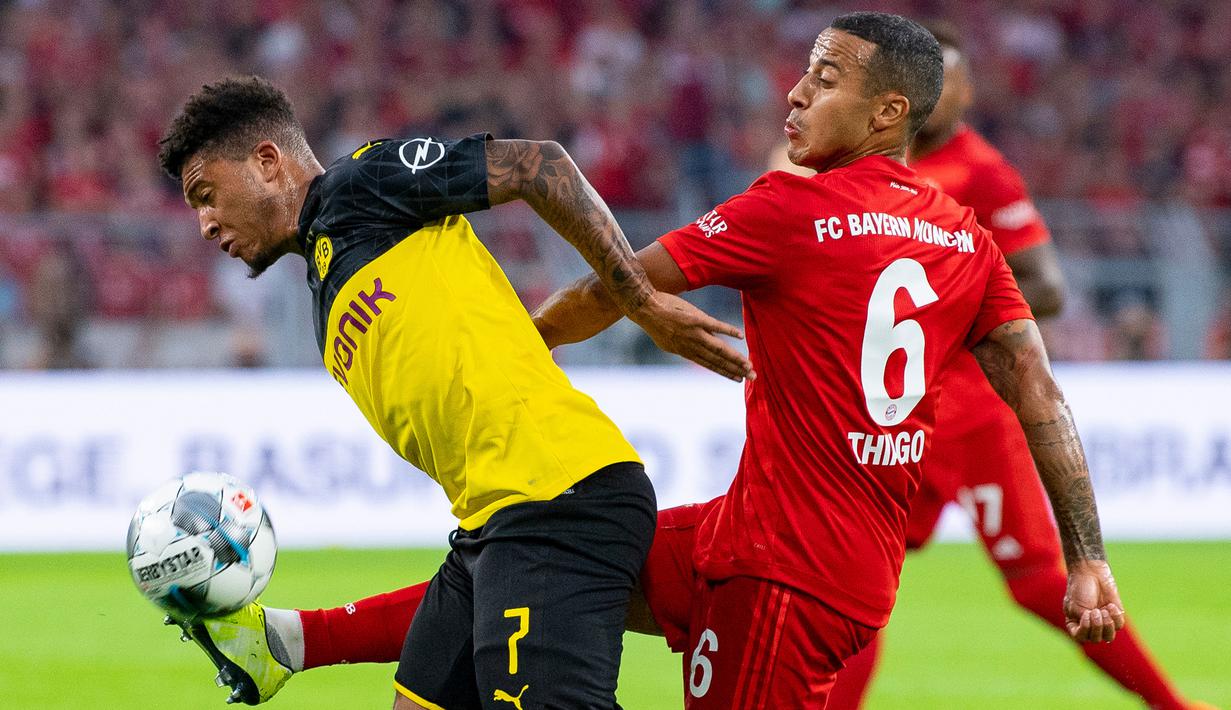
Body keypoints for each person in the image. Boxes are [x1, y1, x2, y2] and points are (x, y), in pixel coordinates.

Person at [175, 14, 1126, 708]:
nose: (795, 91)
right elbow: (1039, 397)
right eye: (803, 68)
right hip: (768, 540)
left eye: (825, 77)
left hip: (783, 579)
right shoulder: (965, 241)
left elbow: (621, 280)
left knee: (547, 562)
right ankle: (294, 641)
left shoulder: (786, 212)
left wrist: (533, 337)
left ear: (887, 113)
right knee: (533, 576)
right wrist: (1087, 561)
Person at [156, 75, 754, 710]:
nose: (204, 223)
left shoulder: (364, 183)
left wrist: (641, 300)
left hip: (556, 497)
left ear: (268, 162)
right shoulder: (323, 277)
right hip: (490, 522)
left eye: (207, 194)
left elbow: (537, 163)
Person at [816, 24, 1202, 710]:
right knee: (856, 577)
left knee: (1029, 580)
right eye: (940, 83)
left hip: (968, 414)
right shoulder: (858, 166)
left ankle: (1172, 705)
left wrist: (956, 289)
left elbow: (1046, 287)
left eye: (959, 84)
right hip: (893, 408)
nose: (948, 100)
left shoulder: (979, 171)